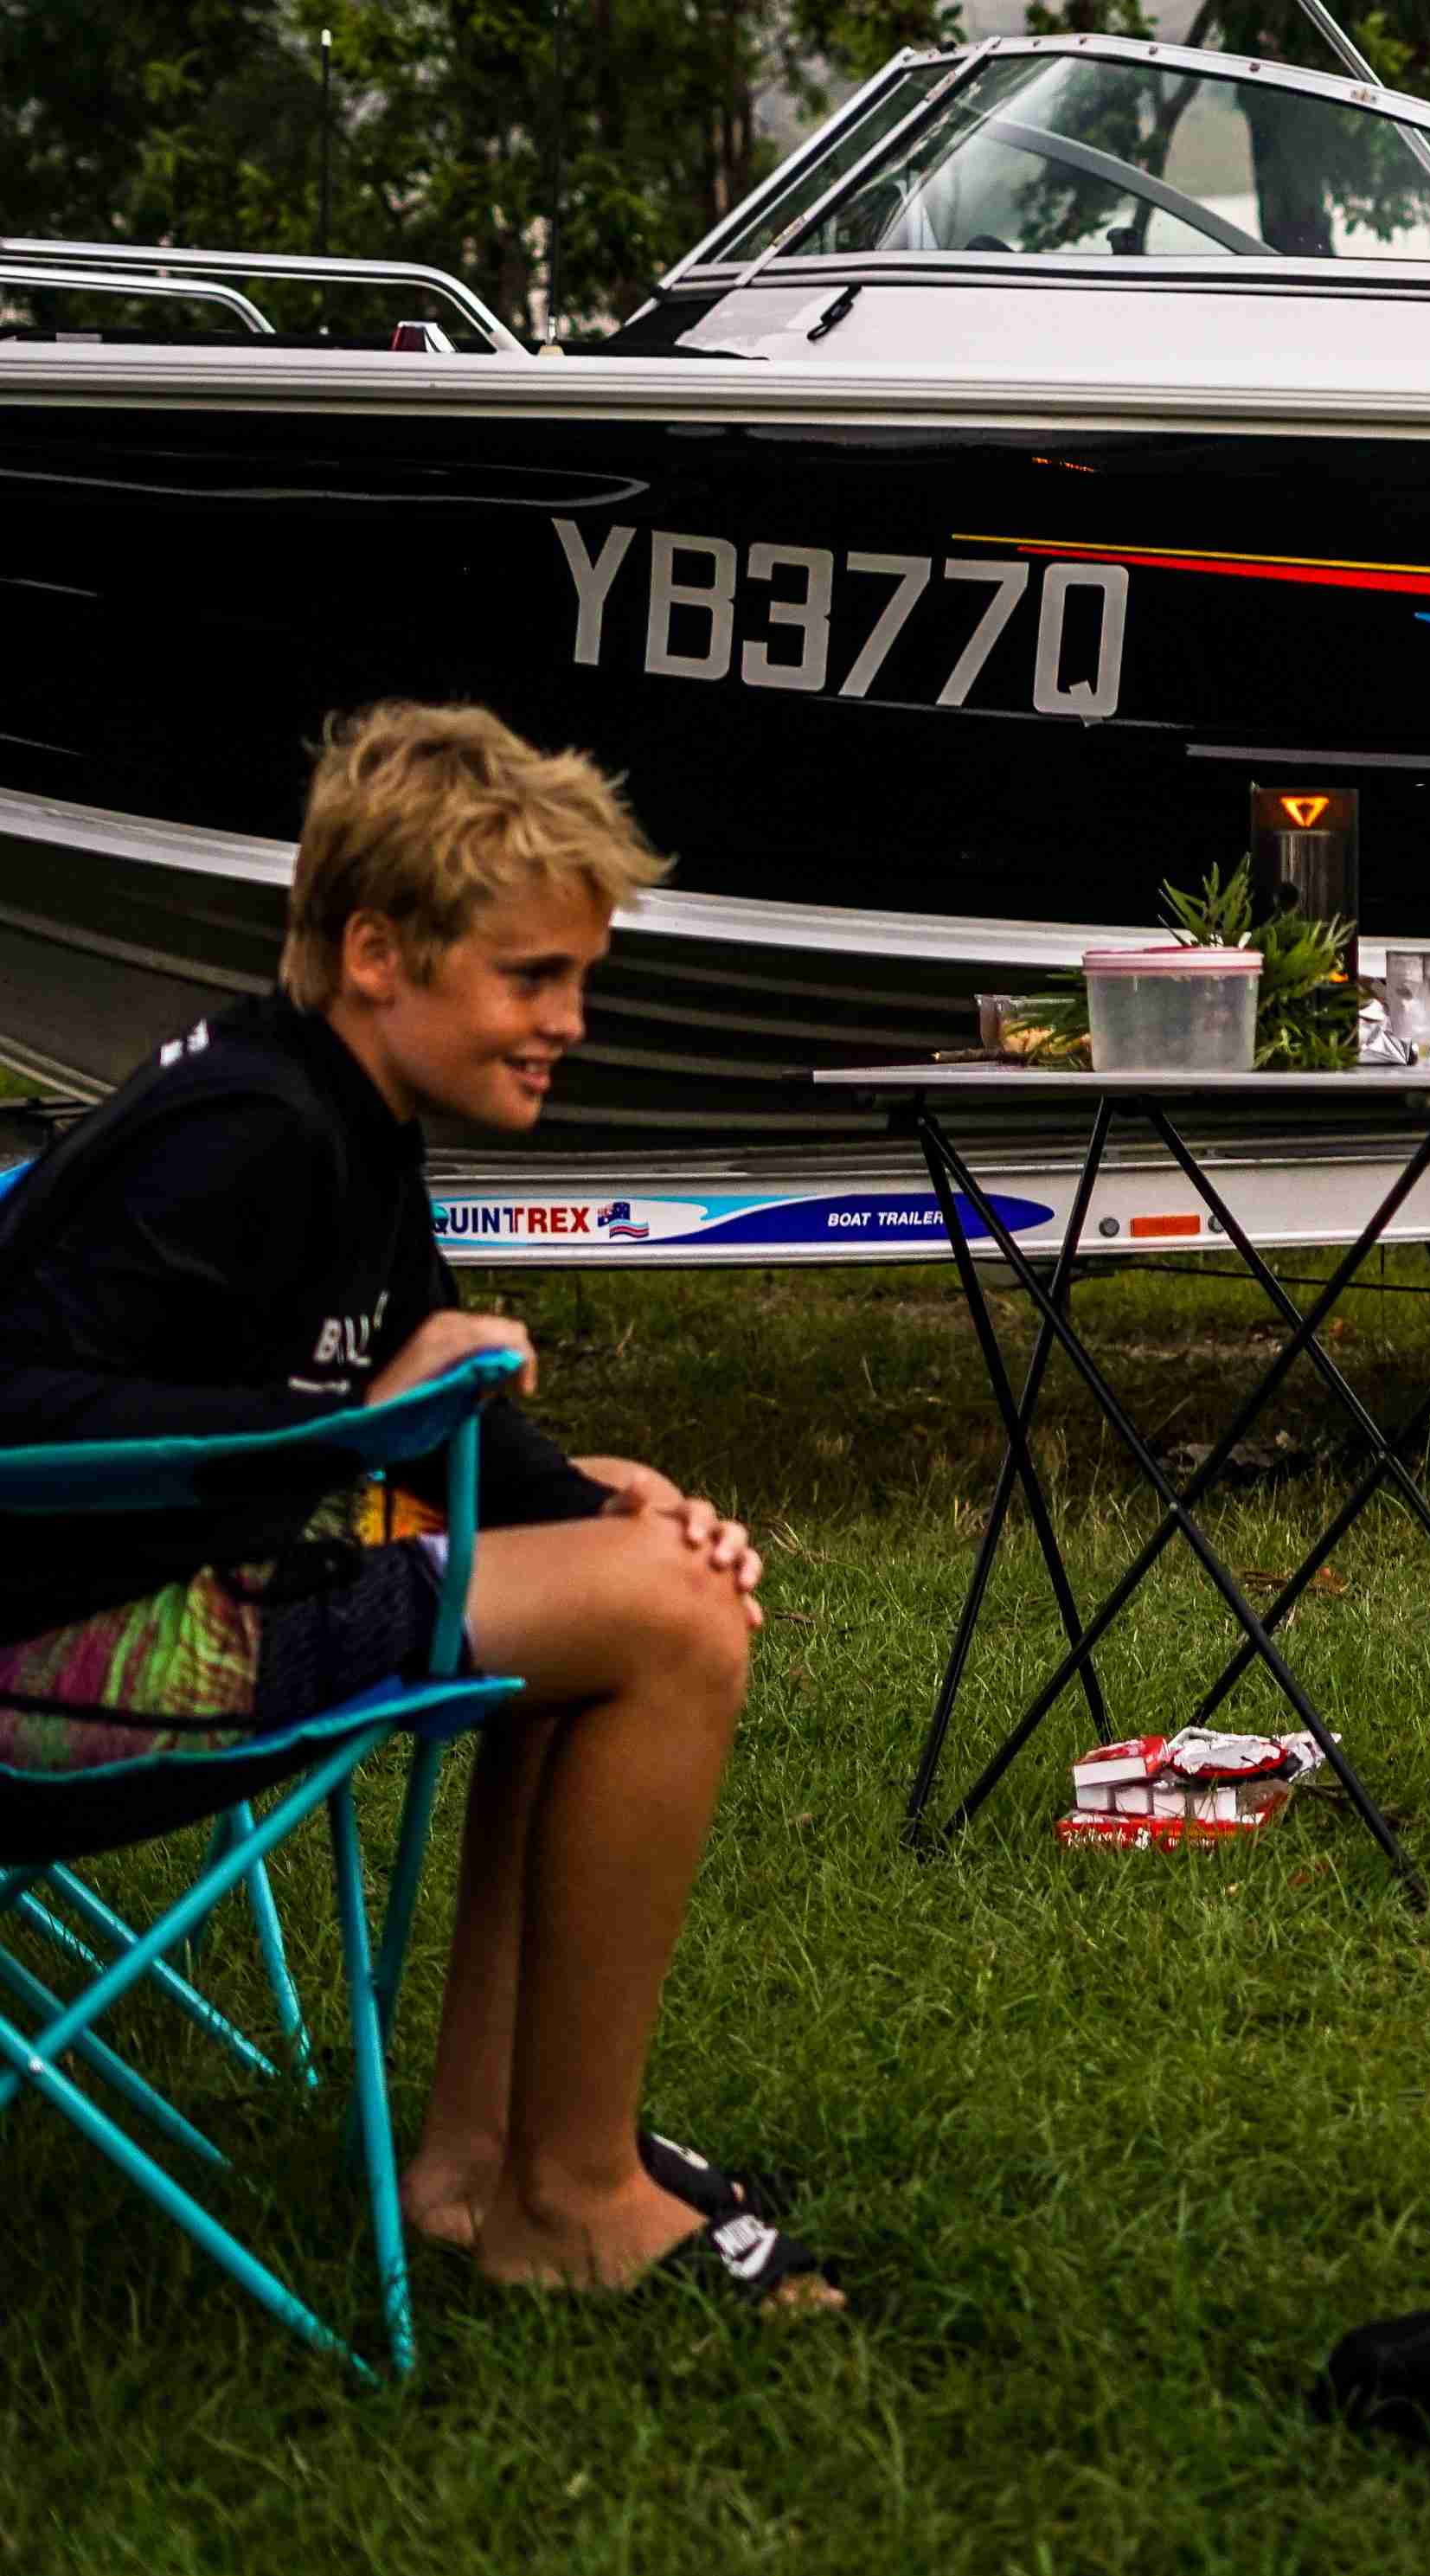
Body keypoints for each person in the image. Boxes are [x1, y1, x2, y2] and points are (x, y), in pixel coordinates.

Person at [0, 705, 828, 2310]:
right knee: (664, 1626)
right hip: (56, 1667)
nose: (570, 1020)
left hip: (143, 1615)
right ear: (379, 951)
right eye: (533, 976)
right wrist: (347, 1428)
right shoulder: (252, 1131)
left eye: (578, 977)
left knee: (637, 1577)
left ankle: (480, 2167)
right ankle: (573, 2198)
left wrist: (606, 1499)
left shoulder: (343, 1121)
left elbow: (420, 1382)